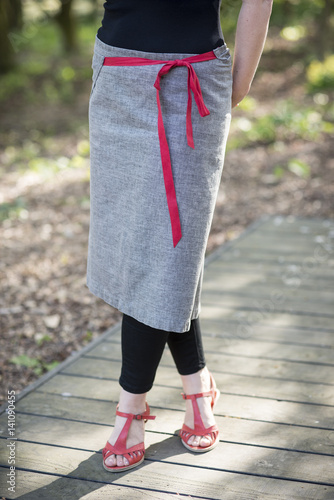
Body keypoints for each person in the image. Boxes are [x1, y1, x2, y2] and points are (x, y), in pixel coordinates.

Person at [87, 0, 273, 472]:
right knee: (149, 248)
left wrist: (240, 80)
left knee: (167, 251)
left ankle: (130, 409)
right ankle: (197, 385)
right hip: (119, 73)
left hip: (193, 75)